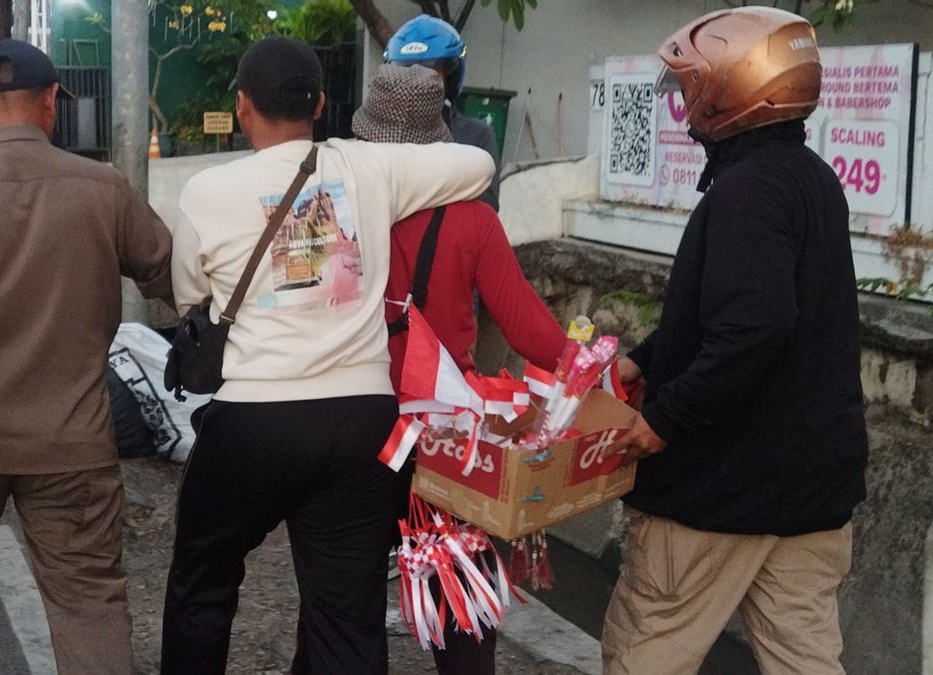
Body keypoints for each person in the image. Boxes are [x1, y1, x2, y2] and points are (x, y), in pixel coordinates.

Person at [162, 37, 494, 675]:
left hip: (255, 420)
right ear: (319, 102)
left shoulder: (206, 190)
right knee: (347, 613)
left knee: (202, 584)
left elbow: (190, 296)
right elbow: (476, 165)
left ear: (241, 107)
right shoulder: (368, 167)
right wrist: (368, 163)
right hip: (361, 423)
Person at [598, 8, 869, 674]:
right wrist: (644, 358)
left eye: (695, 84)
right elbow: (731, 314)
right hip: (809, 495)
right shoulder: (811, 180)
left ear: (734, 90)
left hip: (716, 496)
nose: (686, 101)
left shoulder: (747, 189)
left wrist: (664, 418)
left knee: (645, 653)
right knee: (805, 660)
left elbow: (755, 327)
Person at [0, 39, 173, 674]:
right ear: (52, 101)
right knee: (89, 607)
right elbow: (171, 275)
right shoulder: (104, 187)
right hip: (72, 443)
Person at [354, 62, 567, 675]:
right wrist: (595, 374)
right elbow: (531, 333)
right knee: (460, 601)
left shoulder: (346, 209)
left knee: (340, 592)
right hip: (447, 436)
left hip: (358, 420)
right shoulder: (474, 220)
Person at [385, 15, 501, 211]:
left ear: (450, 77)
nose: (416, 82)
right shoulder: (377, 137)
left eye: (428, 73)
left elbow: (486, 209)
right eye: (406, 73)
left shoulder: (477, 137)